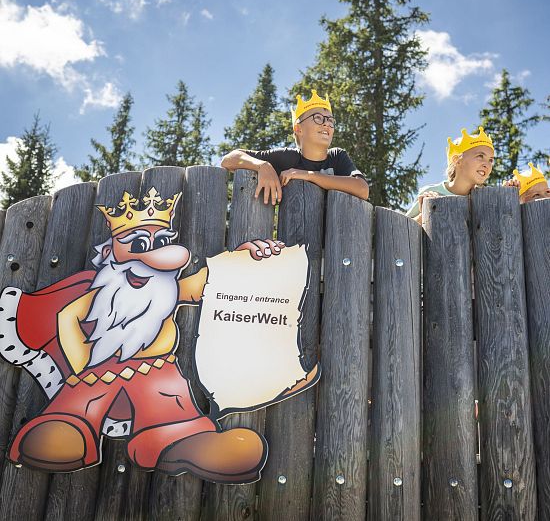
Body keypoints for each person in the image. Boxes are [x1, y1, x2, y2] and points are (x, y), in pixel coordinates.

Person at [0, 187, 316, 483]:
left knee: (173, 414)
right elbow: (67, 319)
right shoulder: (101, 291)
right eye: (139, 244)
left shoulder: (165, 287)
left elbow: (205, 284)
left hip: (158, 376)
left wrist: (242, 261)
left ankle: (184, 444)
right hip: (97, 375)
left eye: (160, 242)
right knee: (77, 409)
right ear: (112, 251)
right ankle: (68, 429)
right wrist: (82, 366)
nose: (155, 255)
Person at [221, 89, 370, 204]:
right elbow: (229, 159)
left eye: (330, 120)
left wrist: (308, 175)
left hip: (337, 237)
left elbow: (362, 189)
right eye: (318, 118)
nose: (326, 123)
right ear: (298, 129)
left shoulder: (337, 157)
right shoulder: (288, 157)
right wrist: (262, 166)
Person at [406, 127, 495, 224]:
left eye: (490, 160)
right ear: (457, 160)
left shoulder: (487, 199)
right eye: (480, 156)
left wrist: (513, 192)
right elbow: (404, 228)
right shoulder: (430, 193)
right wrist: (425, 213)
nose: (487, 164)